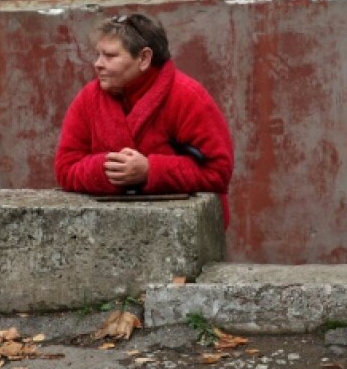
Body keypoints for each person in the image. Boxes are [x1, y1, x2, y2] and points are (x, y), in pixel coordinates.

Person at [54, 13, 234, 225]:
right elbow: (65, 167)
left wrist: (151, 170)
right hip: (105, 230)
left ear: (144, 58)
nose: (97, 64)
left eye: (110, 56)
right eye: (98, 55)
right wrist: (108, 169)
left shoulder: (188, 97)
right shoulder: (88, 99)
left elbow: (218, 172)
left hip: (184, 230)